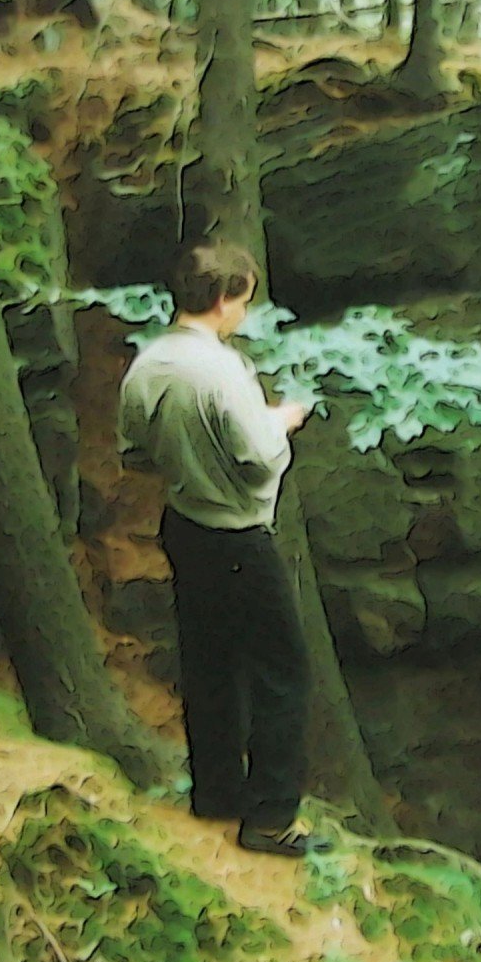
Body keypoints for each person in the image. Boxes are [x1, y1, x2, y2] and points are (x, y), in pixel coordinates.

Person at [117, 242, 322, 858]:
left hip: (184, 526)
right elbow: (257, 459)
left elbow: (133, 451)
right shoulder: (223, 372)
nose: (244, 313)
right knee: (283, 672)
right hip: (238, 536)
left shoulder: (148, 365)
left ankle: (216, 792)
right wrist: (282, 421)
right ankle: (271, 819)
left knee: (208, 660)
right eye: (243, 300)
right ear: (225, 300)